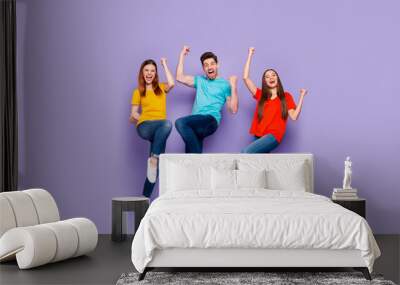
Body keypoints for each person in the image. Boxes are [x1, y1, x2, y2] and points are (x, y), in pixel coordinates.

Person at [242, 47, 307, 153]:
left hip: (274, 135)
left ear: (277, 78)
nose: (271, 77)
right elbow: (245, 78)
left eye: (273, 75)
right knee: (258, 163)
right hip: (259, 134)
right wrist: (250, 55)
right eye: (267, 77)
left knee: (245, 153)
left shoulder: (286, 96)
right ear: (264, 81)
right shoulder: (261, 95)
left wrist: (302, 97)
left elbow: (294, 116)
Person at [175, 46, 238, 153]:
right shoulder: (199, 80)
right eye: (206, 65)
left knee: (180, 123)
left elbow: (233, 109)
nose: (209, 67)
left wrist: (233, 86)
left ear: (217, 65)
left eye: (212, 64)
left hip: (210, 120)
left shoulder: (225, 84)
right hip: (195, 121)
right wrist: (182, 56)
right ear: (204, 68)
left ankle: (197, 159)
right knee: (190, 158)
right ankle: (196, 161)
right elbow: (179, 77)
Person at [130, 58, 174, 198]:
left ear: (156, 73)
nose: (149, 73)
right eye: (147, 70)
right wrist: (143, 117)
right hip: (145, 126)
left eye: (152, 71)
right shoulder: (138, 91)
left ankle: (144, 199)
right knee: (167, 124)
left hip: (160, 130)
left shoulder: (161, 88)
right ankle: (154, 158)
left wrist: (164, 65)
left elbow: (172, 83)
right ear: (142, 73)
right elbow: (133, 114)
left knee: (155, 169)